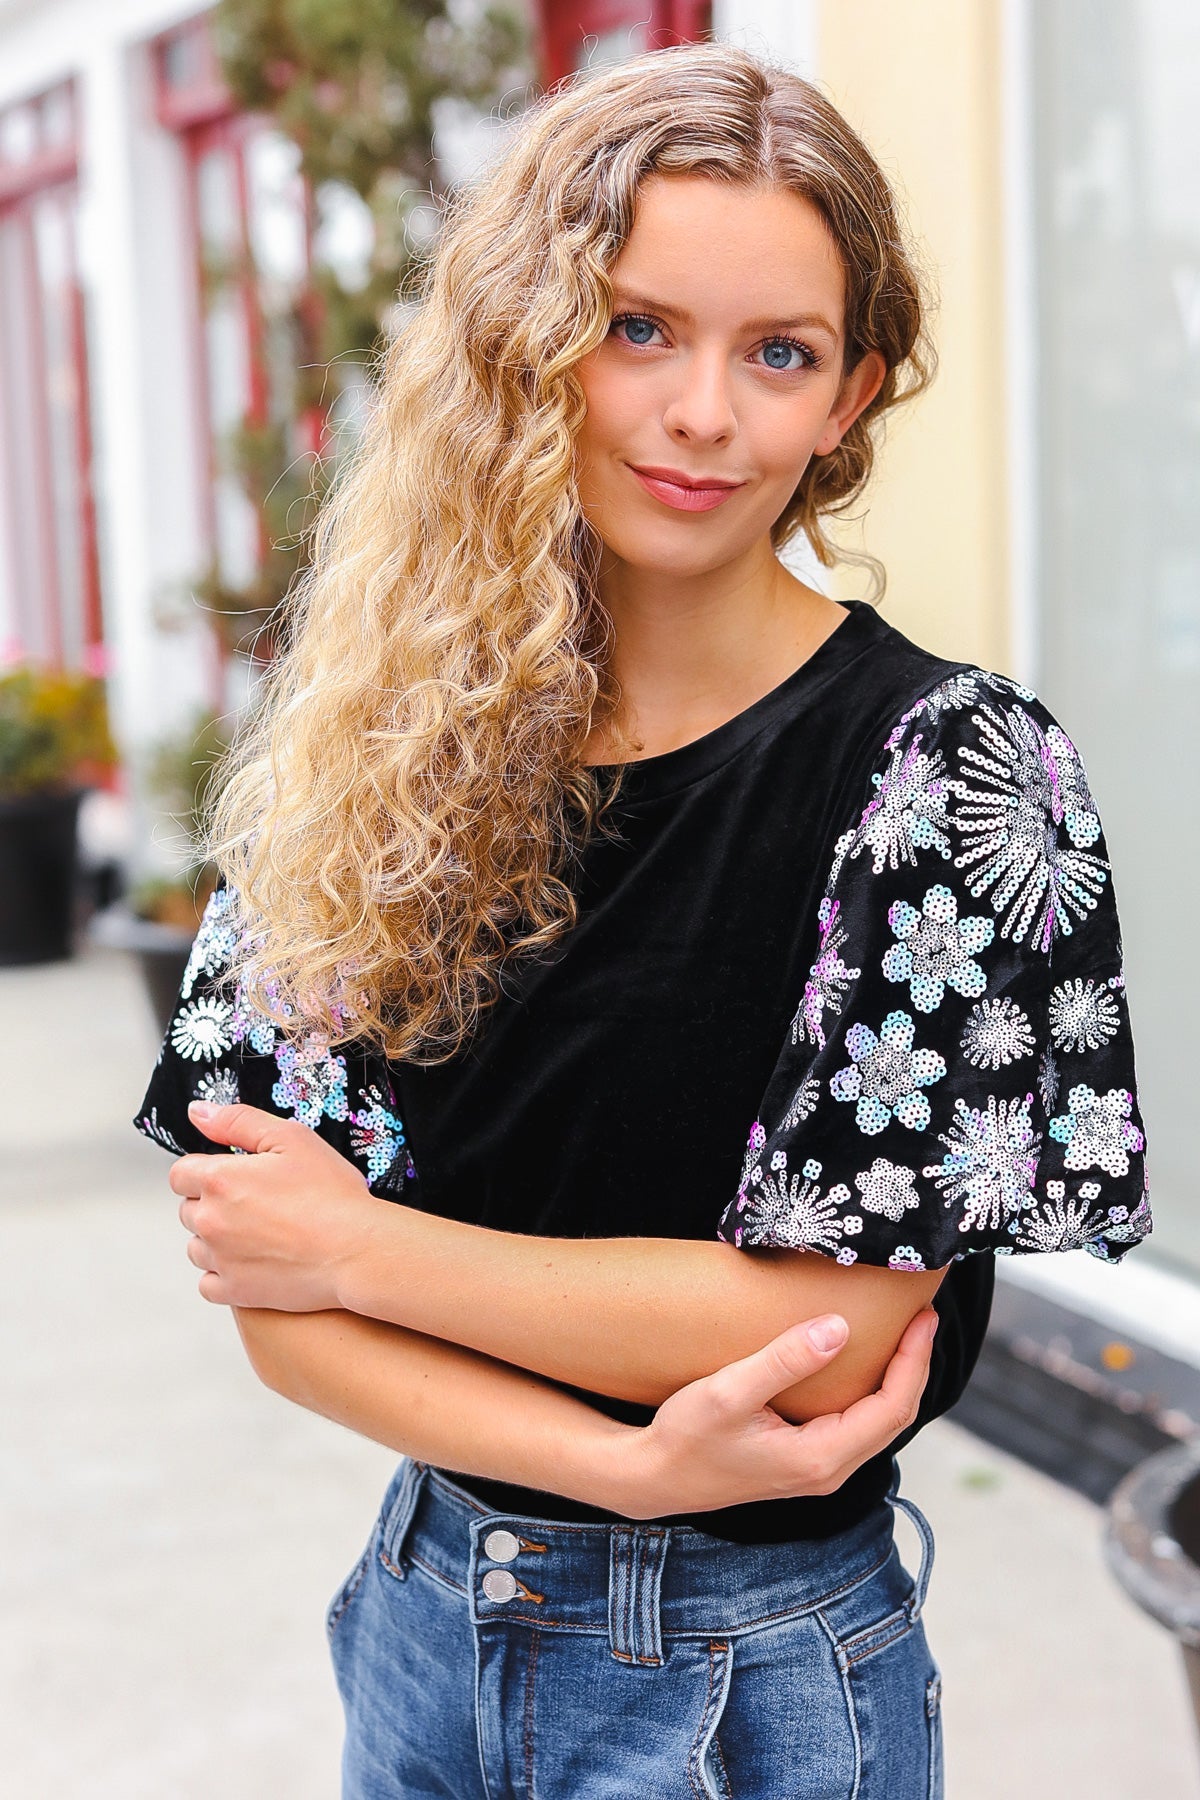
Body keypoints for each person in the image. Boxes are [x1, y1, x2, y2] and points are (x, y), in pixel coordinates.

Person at [133, 40, 1152, 1799]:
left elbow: (827, 1330)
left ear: (853, 398)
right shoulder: (383, 740)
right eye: (638, 330)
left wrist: (367, 1250)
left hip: (749, 1672)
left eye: (780, 354)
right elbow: (257, 1278)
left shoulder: (954, 774)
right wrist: (614, 1467)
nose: (704, 414)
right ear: (530, 346)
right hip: (422, 1622)